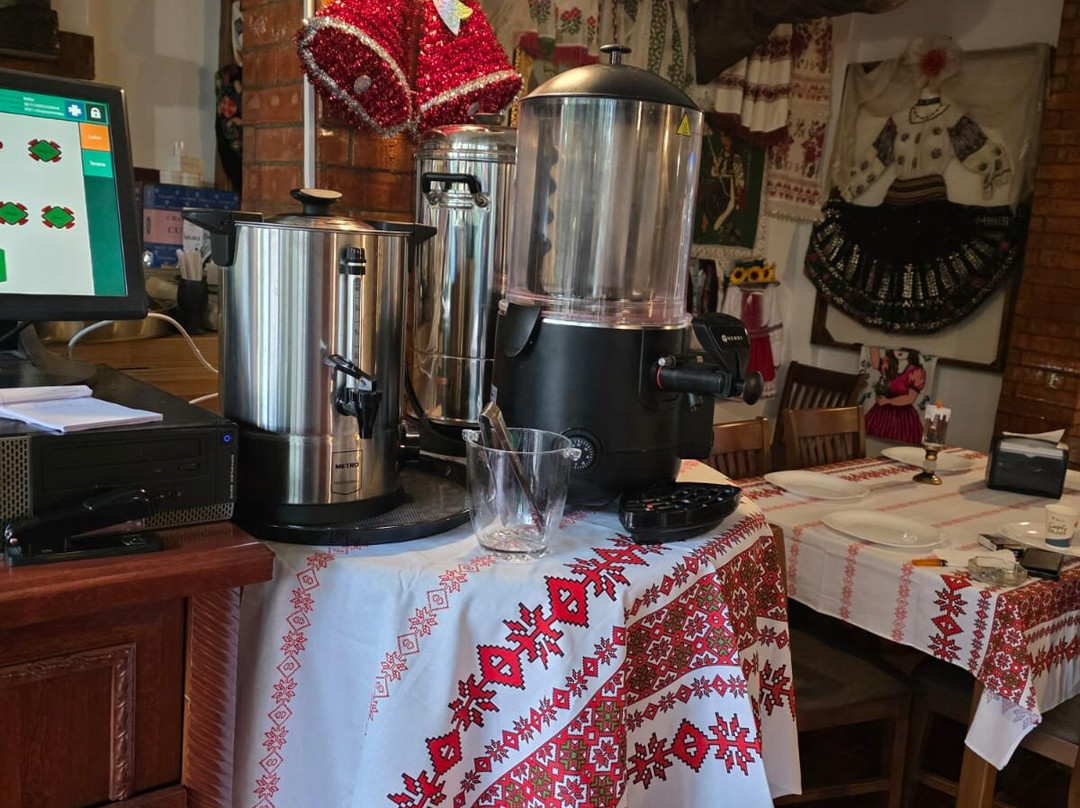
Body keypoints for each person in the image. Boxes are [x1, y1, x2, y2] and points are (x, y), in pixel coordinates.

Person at [865, 348, 926, 444]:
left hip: (903, 416)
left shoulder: (916, 371)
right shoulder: (888, 363)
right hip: (882, 412)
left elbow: (910, 398)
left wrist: (888, 401)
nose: (900, 352)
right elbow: (875, 363)